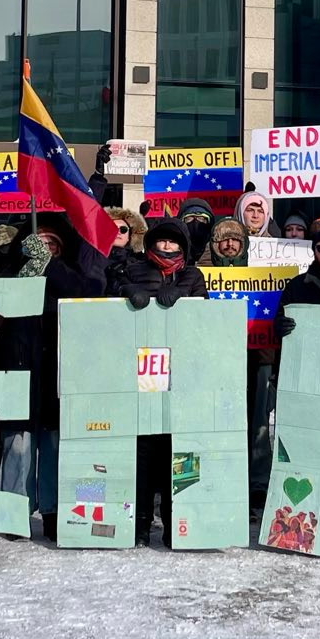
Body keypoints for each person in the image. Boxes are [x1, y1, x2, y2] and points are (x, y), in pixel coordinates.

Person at [0, 222, 106, 541]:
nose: (45, 247)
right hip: (17, 369)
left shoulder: (68, 273)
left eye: (52, 243)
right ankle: (13, 512)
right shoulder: (11, 271)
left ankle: (52, 511)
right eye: (39, 242)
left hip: (56, 373)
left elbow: (87, 291)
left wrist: (50, 265)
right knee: (18, 446)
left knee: (54, 446)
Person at [117, 218, 207, 546]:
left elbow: (204, 321)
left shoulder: (193, 276)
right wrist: (126, 292)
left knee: (180, 451)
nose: (167, 247)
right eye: (162, 242)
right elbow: (110, 299)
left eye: (173, 243)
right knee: (142, 452)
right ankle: (139, 524)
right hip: (142, 372)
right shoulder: (134, 269)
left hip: (181, 377)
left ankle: (177, 521)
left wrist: (183, 297)